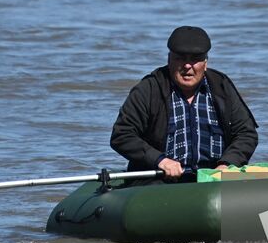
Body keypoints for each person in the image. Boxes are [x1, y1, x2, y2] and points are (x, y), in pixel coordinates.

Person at [110, 26, 258, 181]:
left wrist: (227, 164)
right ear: (169, 60)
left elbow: (246, 134)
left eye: (195, 59)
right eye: (180, 58)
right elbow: (122, 135)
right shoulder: (149, 89)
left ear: (205, 63)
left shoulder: (221, 87)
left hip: (212, 180)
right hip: (158, 181)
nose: (187, 66)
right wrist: (160, 160)